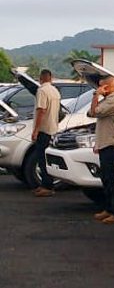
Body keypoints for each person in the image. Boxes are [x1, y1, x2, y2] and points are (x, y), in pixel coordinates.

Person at [88, 76, 114, 224]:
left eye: (101, 87)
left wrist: (95, 95)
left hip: (112, 145)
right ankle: (109, 208)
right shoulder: (108, 99)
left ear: (109, 87)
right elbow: (90, 112)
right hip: (105, 143)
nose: (99, 89)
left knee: (112, 179)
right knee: (105, 178)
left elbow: (94, 112)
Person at [30, 69, 61, 197]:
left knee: (41, 158)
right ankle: (45, 184)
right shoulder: (55, 91)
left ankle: (47, 186)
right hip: (53, 127)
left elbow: (41, 110)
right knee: (46, 158)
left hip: (44, 129)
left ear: (40, 78)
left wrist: (35, 130)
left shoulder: (42, 91)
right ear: (51, 78)